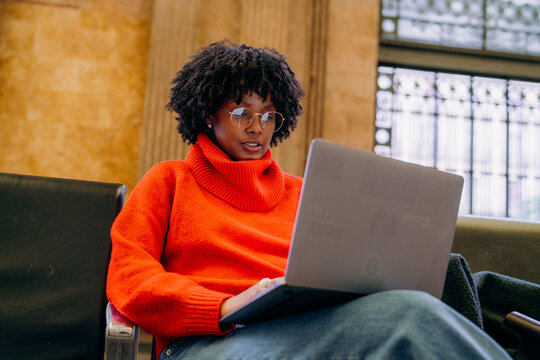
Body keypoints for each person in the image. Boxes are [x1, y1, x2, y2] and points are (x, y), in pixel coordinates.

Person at [106, 40, 511, 359]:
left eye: (268, 116)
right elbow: (130, 278)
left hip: (304, 328)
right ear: (208, 113)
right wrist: (224, 306)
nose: (257, 128)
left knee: (414, 306)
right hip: (202, 344)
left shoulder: (304, 191)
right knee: (408, 318)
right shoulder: (169, 181)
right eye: (242, 113)